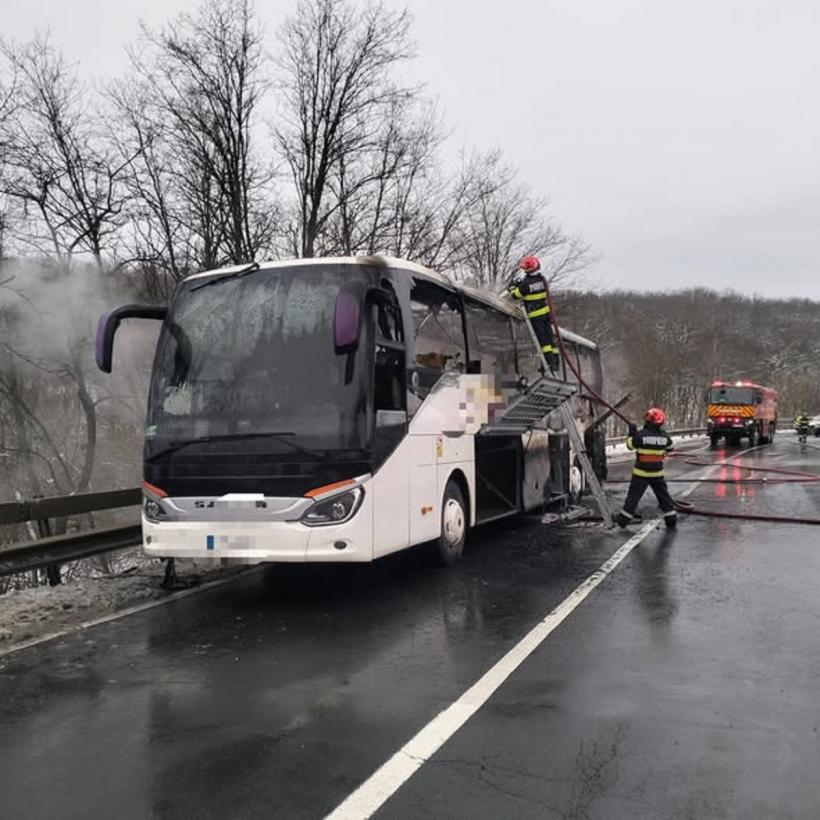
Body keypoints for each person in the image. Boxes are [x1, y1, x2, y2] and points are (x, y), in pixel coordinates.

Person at [616, 407, 677, 529]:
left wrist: (632, 432)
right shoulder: (665, 437)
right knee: (664, 497)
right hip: (657, 474)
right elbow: (670, 448)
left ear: (647, 420)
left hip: (641, 474)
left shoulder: (640, 436)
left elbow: (630, 445)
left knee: (633, 497)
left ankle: (623, 519)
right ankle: (671, 519)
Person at [506, 255, 560, 372]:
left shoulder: (525, 284)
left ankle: (548, 364)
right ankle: (555, 362)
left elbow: (516, 295)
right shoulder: (542, 280)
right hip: (545, 313)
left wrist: (512, 286)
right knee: (550, 338)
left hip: (535, 315)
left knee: (542, 341)